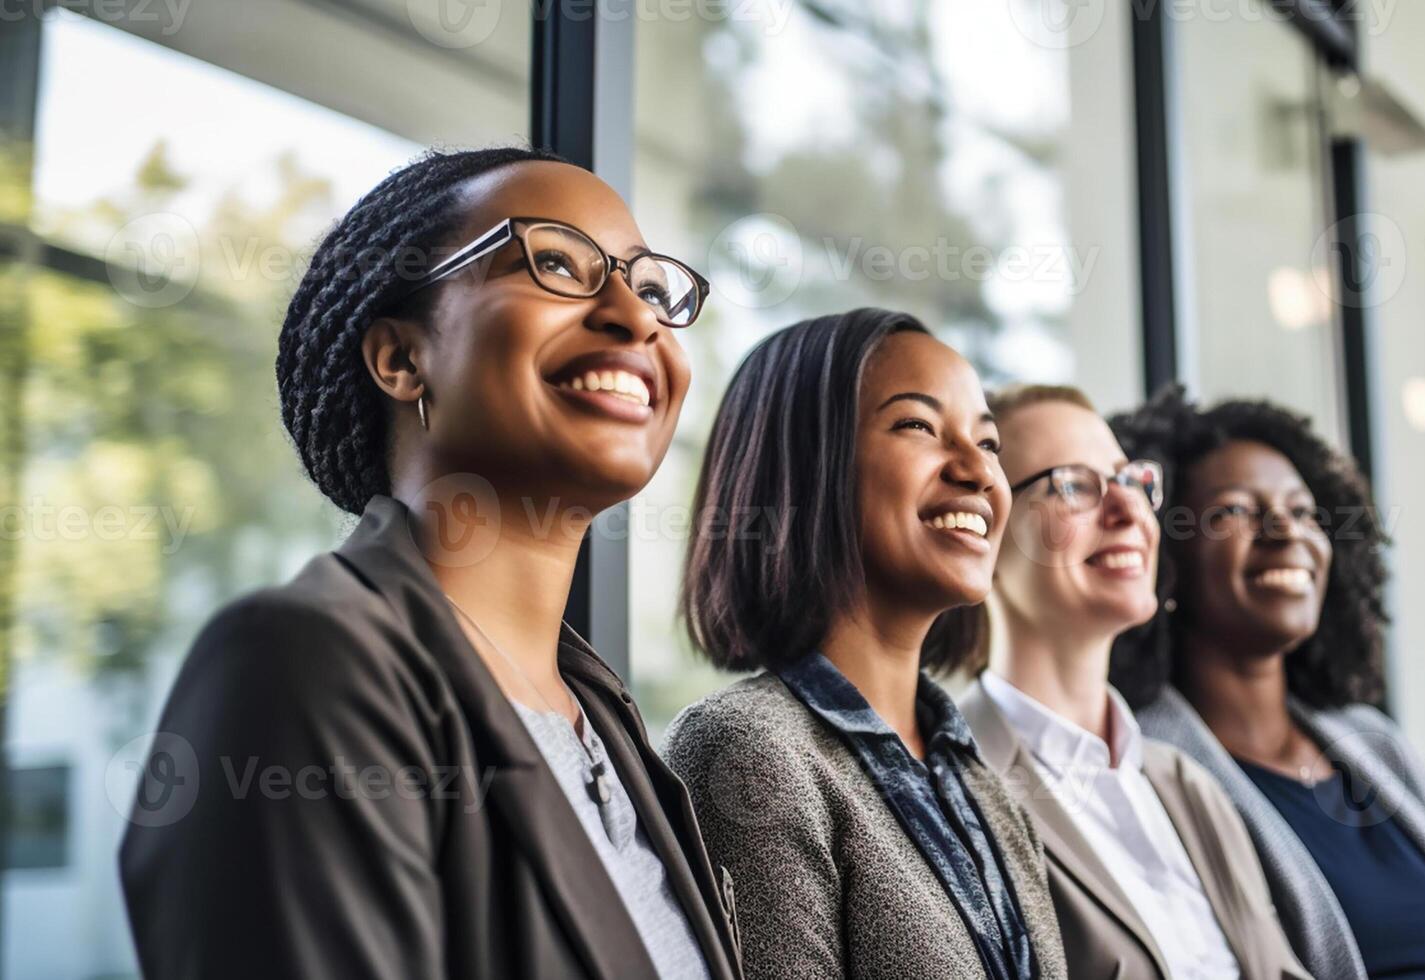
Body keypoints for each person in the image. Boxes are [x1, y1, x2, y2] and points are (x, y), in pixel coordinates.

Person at [119, 146, 740, 979]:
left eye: (652, 287)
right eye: (556, 262)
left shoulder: (610, 726)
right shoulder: (301, 663)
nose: (636, 316)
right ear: (402, 358)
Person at [664, 309, 1065, 980]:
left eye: (989, 443)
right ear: (802, 467)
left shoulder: (982, 786)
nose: (978, 471)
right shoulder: (744, 752)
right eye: (917, 425)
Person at [1107, 386, 1425, 980]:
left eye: (1304, 512)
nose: (1285, 530)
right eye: (1233, 511)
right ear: (1163, 560)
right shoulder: (1138, 765)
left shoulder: (1377, 745)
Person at [946, 384, 1309, 980]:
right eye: (1073, 484)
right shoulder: (946, 790)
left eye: (1131, 480)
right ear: (983, 529)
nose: (1128, 512)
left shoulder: (1188, 785)